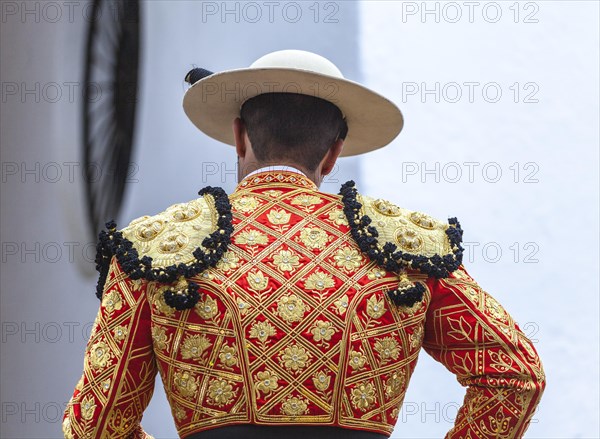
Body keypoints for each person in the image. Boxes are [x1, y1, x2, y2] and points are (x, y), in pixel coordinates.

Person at [63, 50, 545, 439]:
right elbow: (516, 377)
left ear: (239, 136)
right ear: (333, 153)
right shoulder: (405, 248)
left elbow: (95, 427)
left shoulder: (158, 248)